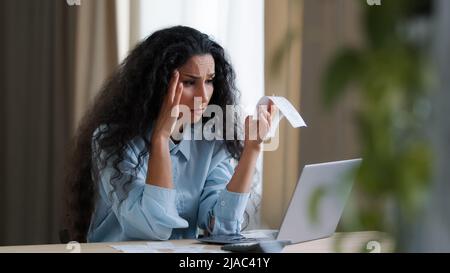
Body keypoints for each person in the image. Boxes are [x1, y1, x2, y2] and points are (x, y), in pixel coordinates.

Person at [64, 26, 275, 242]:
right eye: (190, 82)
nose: (203, 96)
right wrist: (161, 139)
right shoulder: (112, 141)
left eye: (209, 80)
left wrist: (252, 149)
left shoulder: (210, 141)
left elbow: (222, 227)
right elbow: (153, 229)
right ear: (159, 84)